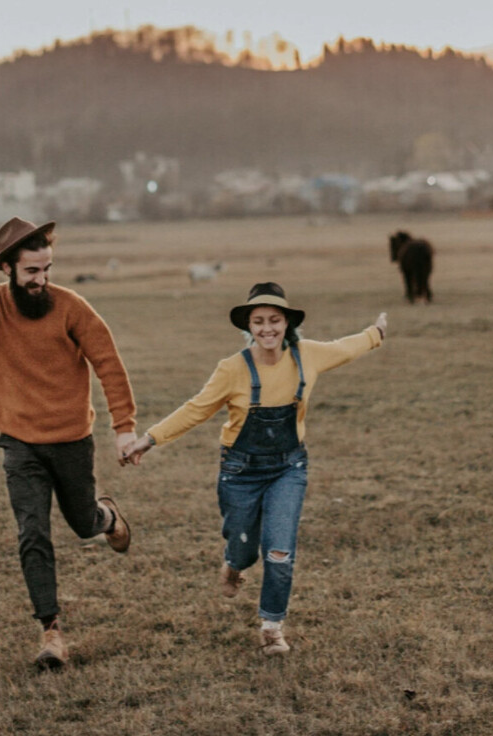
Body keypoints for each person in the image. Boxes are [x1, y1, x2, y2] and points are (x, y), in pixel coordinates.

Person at [0, 217, 137, 670]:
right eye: (32, 271)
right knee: (32, 531)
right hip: (18, 442)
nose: (41, 280)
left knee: (81, 523)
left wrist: (124, 427)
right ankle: (51, 632)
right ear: (7, 269)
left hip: (72, 440)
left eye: (47, 269)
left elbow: (108, 364)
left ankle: (107, 515)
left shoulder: (71, 306)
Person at [123, 281, 387, 655]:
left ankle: (271, 627)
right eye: (259, 321)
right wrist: (149, 440)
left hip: (288, 468)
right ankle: (234, 563)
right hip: (240, 472)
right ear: (249, 325)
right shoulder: (232, 369)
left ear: (286, 323)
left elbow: (345, 348)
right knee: (244, 547)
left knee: (279, 551)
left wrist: (375, 333)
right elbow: (196, 409)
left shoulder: (307, 355)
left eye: (274, 320)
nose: (267, 329)